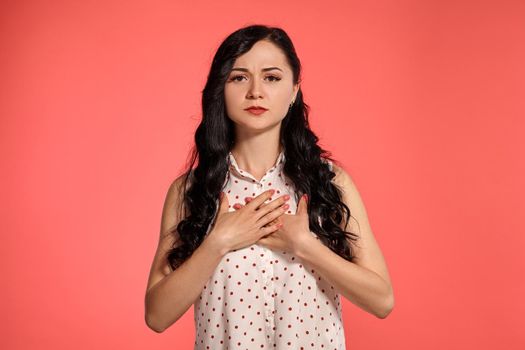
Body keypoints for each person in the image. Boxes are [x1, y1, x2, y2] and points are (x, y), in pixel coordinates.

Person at [145, 24, 394, 349]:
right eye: (239, 77)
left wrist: (306, 246)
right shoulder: (191, 191)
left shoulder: (329, 181)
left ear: (293, 91)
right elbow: (156, 316)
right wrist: (218, 242)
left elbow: (382, 300)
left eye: (272, 77)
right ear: (220, 88)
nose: (255, 92)